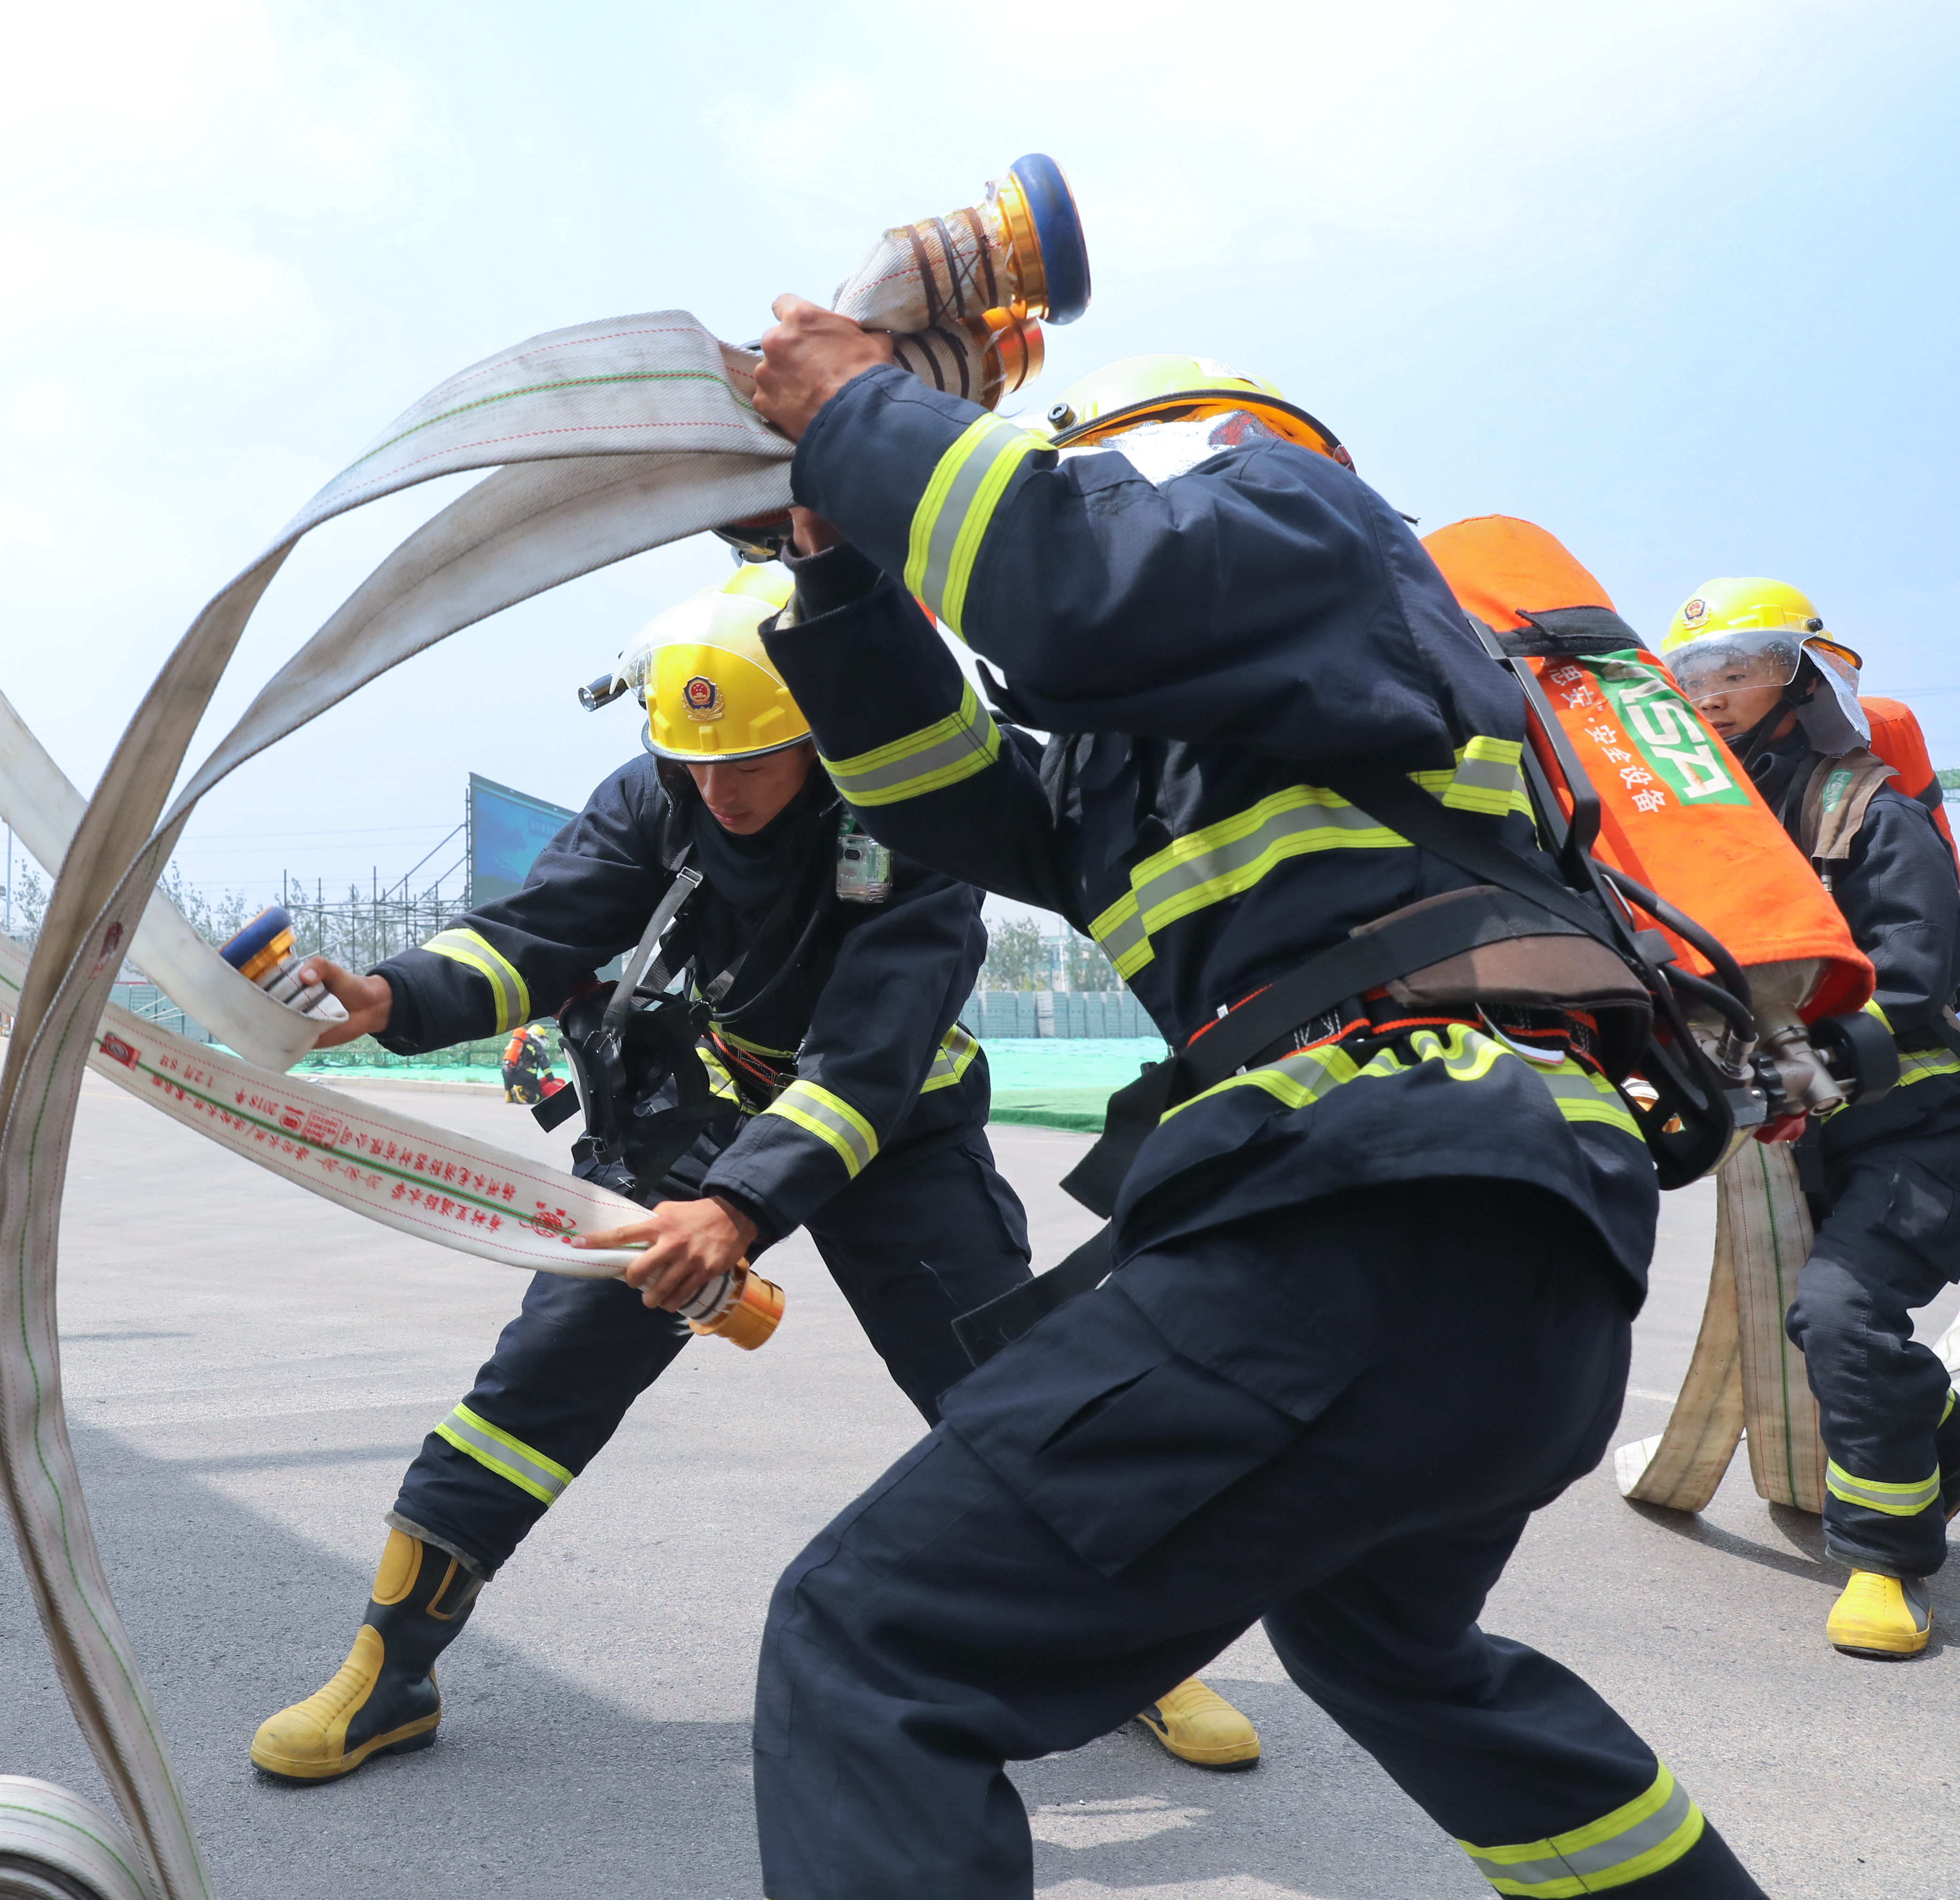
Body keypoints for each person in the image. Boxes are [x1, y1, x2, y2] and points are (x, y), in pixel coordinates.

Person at [738, 328, 1765, 1898]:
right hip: (1486, 1239)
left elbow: (1068, 579)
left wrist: (864, 417)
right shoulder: (1172, 739)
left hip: (1383, 1197)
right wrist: (840, 578)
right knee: (1393, 1653)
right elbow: (949, 794)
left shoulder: (1305, 511)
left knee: (875, 1639)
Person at [250, 564, 1263, 1785]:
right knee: (547, 1371)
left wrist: (735, 1209)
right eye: (696, 762)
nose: (721, 791)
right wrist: (393, 991)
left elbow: (866, 1063)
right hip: (713, 1096)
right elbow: (540, 933)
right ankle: (390, 1669)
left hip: (898, 1124)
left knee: (1005, 1384)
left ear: (822, 730)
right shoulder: (659, 794)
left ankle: (1144, 1649)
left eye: (753, 763)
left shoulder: (916, 820)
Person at [1660, 580, 1960, 1660]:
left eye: (1737, 666)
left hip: (1926, 1125)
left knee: (1837, 1316)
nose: (1711, 692)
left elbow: (1919, 983)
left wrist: (1799, 1064)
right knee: (1845, 1330)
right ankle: (1933, 1452)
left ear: (1798, 671)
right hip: (1829, 1131)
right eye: (1692, 674)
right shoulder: (1714, 839)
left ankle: (1883, 1561)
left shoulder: (1874, 811)